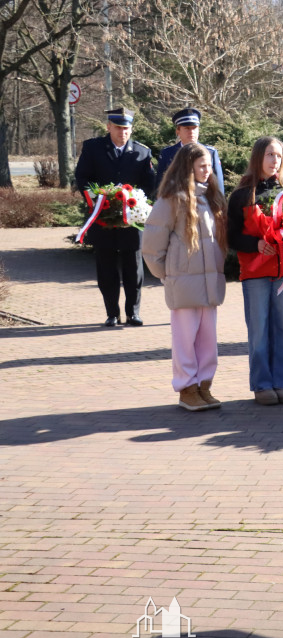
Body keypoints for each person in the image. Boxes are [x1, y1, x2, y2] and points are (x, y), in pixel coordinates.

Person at [141, 143, 228, 411]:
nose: (207, 171)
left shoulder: (211, 197)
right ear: (187, 167)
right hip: (183, 282)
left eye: (210, 166)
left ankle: (204, 386)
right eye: (202, 166)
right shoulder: (171, 200)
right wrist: (167, 275)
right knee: (184, 340)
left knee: (207, 340)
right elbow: (153, 244)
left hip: (209, 282)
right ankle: (186, 388)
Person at [226, 137, 283, 406]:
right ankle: (262, 385)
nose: (274, 161)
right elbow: (231, 237)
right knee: (259, 331)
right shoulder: (242, 195)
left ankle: (281, 383)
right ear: (258, 158)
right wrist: (255, 244)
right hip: (255, 272)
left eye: (278, 156)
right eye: (269, 155)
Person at [74, 107, 156, 327]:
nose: (123, 132)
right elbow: (82, 177)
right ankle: (112, 313)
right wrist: (99, 198)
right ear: (108, 127)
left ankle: (133, 312)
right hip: (103, 217)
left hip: (132, 218)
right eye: (118, 128)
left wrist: (138, 201)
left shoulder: (141, 152)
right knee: (106, 266)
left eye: (126, 128)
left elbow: (150, 183)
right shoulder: (93, 148)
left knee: (134, 267)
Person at [155, 108, 225, 191]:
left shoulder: (210, 152)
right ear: (178, 131)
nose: (191, 132)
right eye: (187, 128)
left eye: (194, 128)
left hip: (204, 201)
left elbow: (219, 185)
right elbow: (160, 184)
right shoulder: (167, 153)